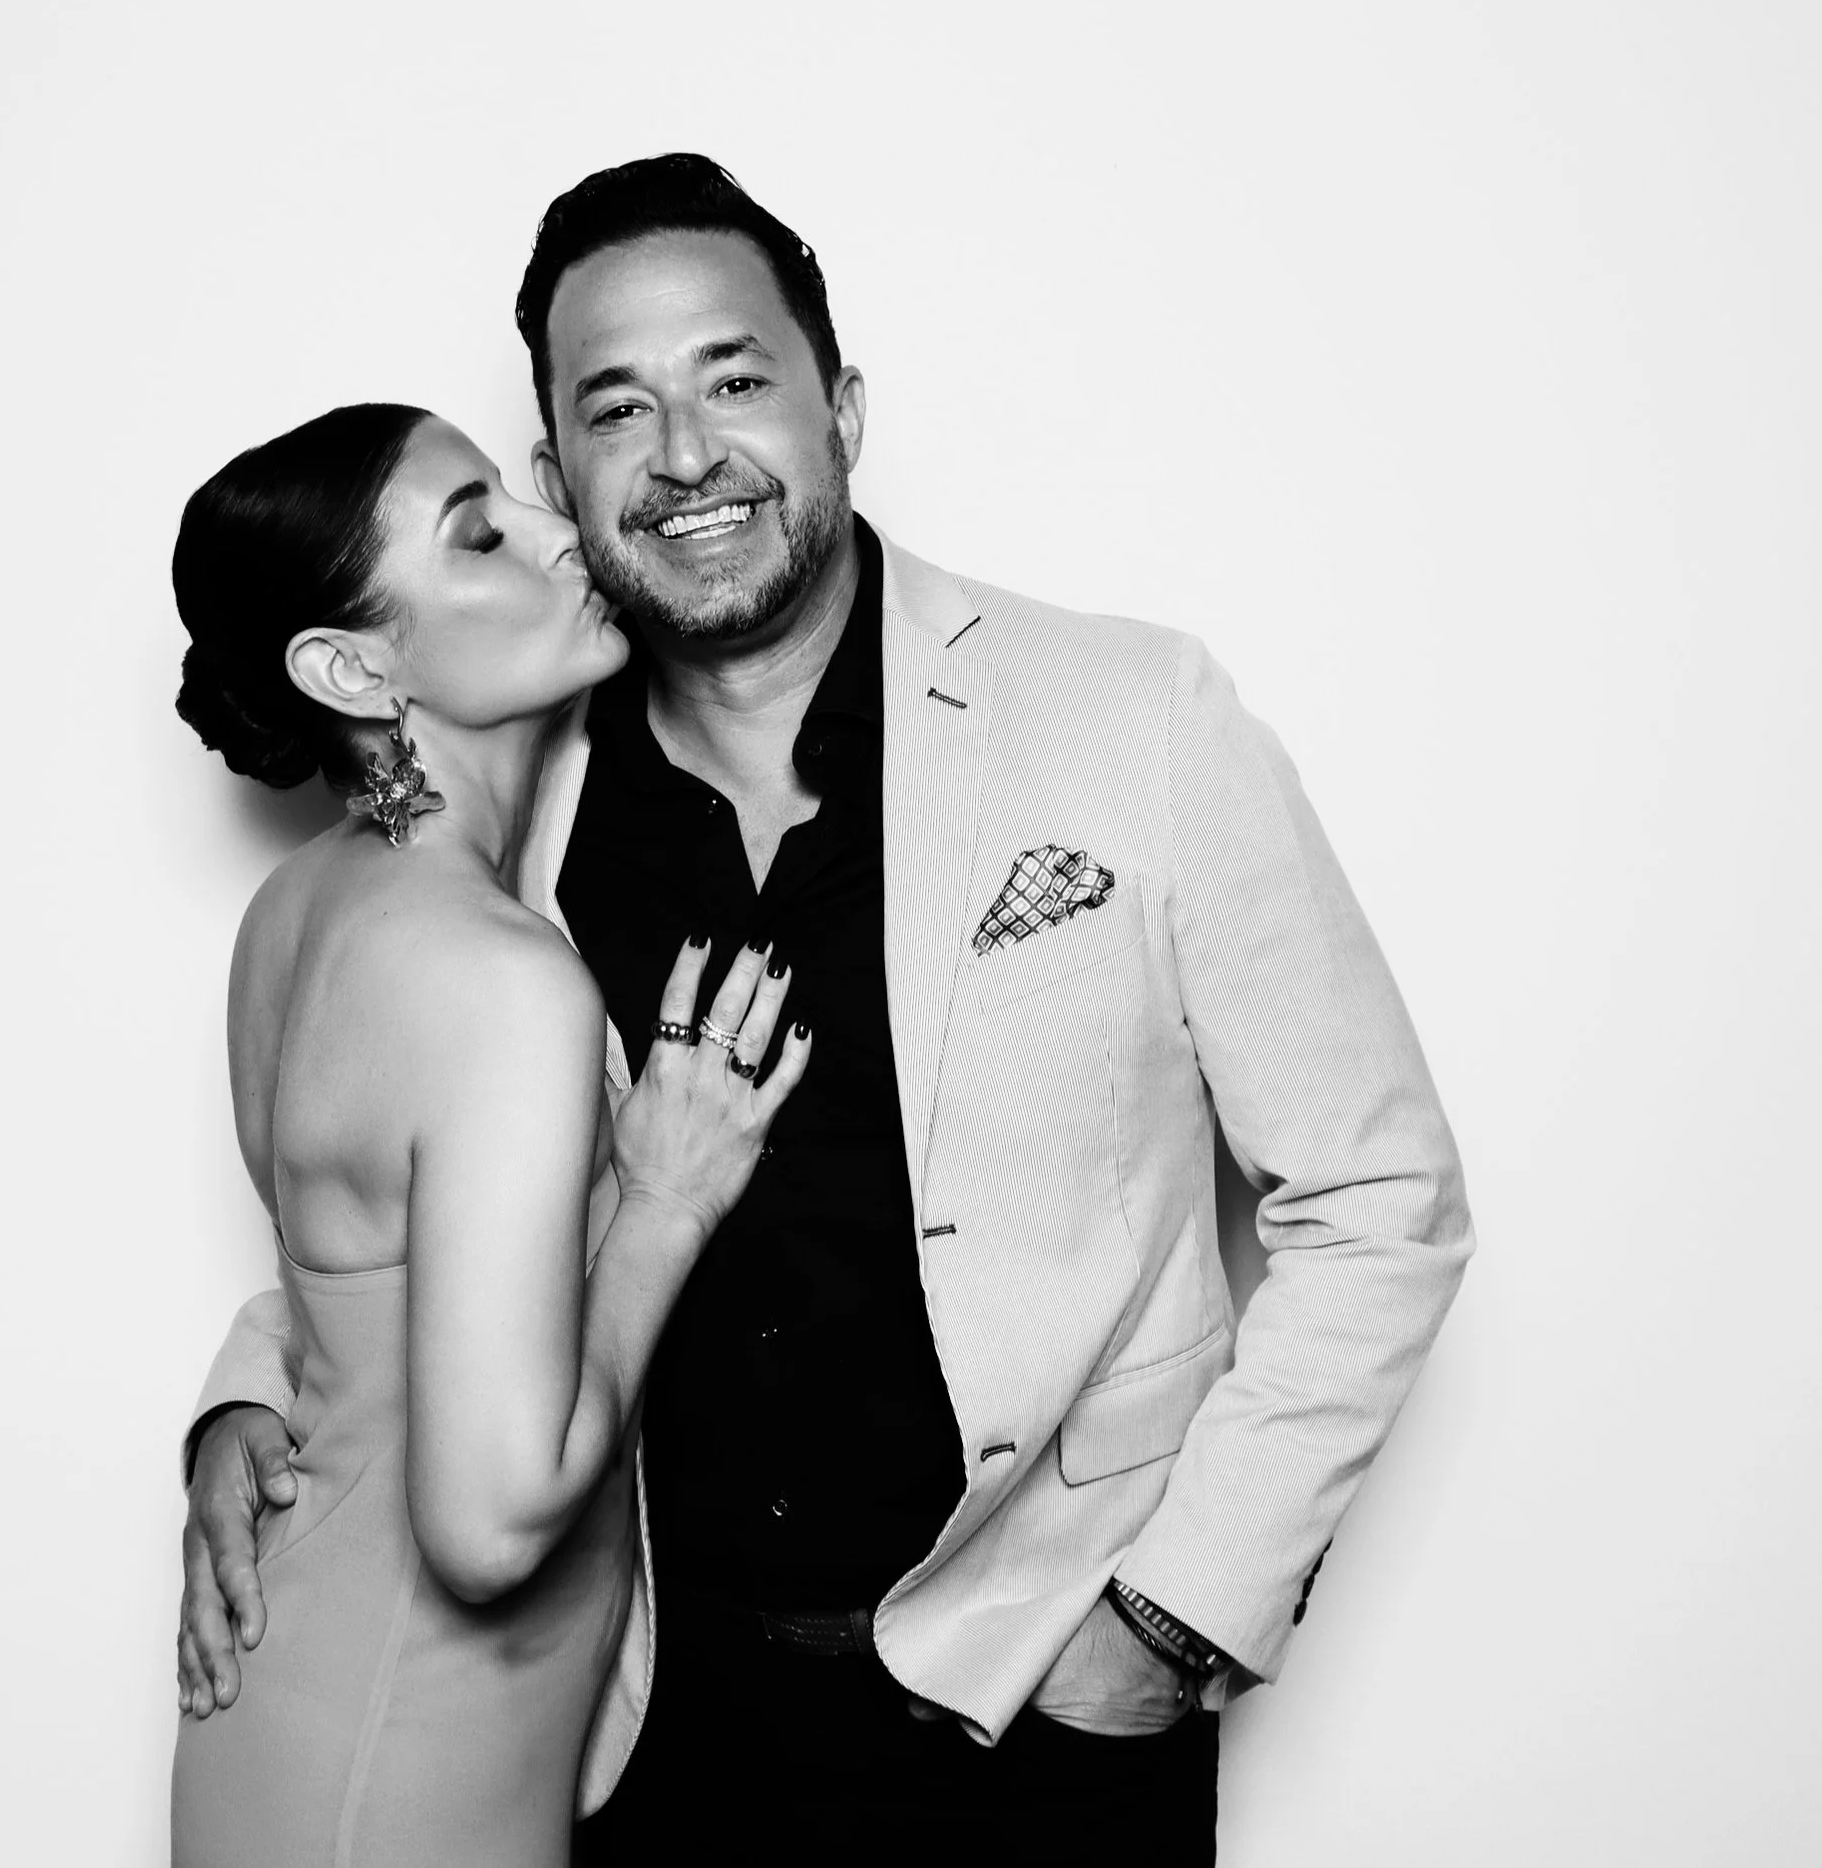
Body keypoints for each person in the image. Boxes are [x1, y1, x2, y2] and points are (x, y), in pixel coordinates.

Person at [178, 157, 1474, 1864]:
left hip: (1049, 1728)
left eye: (736, 379)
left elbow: (1379, 1199)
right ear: (562, 471)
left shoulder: (1130, 714)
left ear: (843, 408)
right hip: (648, 1736)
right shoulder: (515, 794)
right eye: (618, 408)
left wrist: (1167, 1623)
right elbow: (407, 1170)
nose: (689, 453)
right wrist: (253, 1401)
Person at [165, 401, 814, 1868]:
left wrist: (233, 1409)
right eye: (480, 533)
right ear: (350, 667)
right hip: (413, 1772)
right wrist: (659, 1200)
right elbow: (490, 1520)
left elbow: (363, 1304)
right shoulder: (497, 979)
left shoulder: (296, 914)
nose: (557, 532)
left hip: (294, 1720)